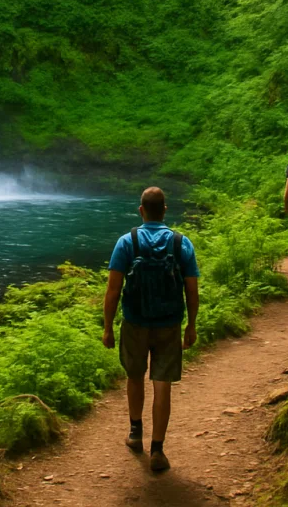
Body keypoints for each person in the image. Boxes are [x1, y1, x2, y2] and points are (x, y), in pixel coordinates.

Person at [102, 187, 199, 473]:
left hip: (134, 321)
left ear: (141, 210)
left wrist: (108, 327)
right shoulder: (181, 243)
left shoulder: (126, 242)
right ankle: (158, 448)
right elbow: (192, 290)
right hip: (169, 324)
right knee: (162, 383)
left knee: (134, 375)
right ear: (165, 210)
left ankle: (135, 433)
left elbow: (113, 290)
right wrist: (191, 325)